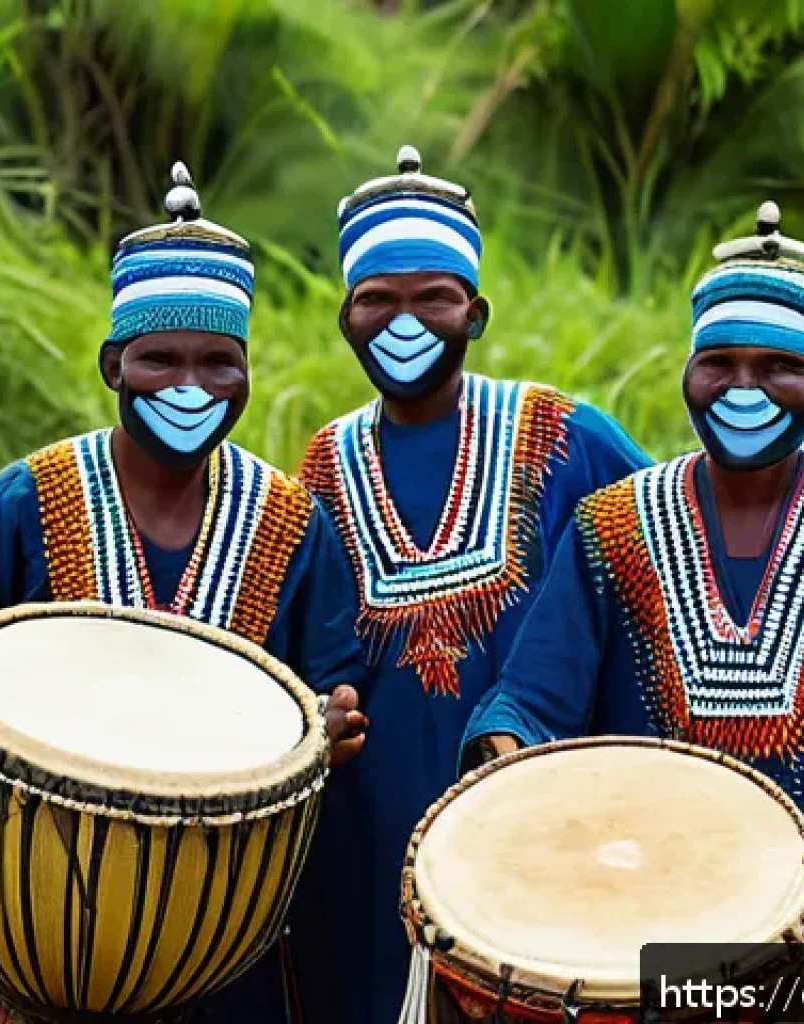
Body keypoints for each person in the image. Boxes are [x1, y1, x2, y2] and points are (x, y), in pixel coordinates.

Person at [0, 162, 367, 1024]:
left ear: (246, 372)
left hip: (221, 953)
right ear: (113, 364)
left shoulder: (291, 523)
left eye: (218, 361)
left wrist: (334, 727)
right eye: (160, 359)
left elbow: (329, 698)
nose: (190, 385)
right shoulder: (31, 499)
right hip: (27, 936)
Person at [288, 146, 651, 1024]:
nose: (402, 322)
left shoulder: (566, 437)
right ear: (345, 317)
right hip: (371, 843)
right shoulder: (322, 470)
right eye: (377, 300)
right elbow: (300, 651)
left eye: (432, 299)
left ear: (474, 313)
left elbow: (669, 566)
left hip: (543, 832)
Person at [462, 202, 804, 952]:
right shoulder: (613, 526)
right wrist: (506, 758)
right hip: (644, 922)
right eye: (719, 363)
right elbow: (533, 697)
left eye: (780, 366)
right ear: (687, 375)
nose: (743, 388)